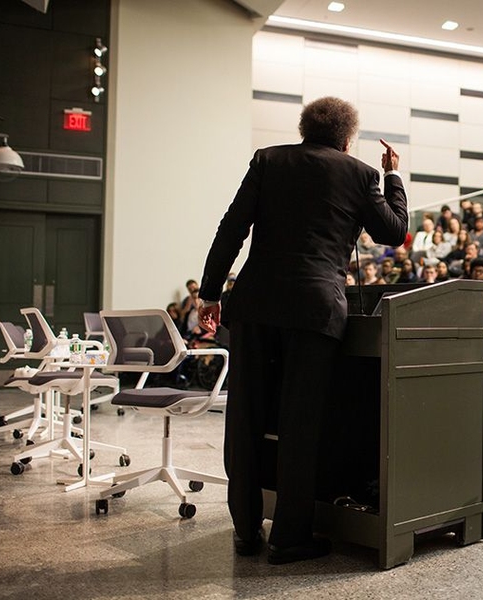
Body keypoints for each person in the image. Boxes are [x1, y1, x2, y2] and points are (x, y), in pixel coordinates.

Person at [197, 97, 408, 564]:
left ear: (304, 128)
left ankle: (246, 529)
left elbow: (231, 228)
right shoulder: (360, 174)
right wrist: (393, 176)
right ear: (348, 137)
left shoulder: (268, 160)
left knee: (246, 418)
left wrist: (210, 293)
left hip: (254, 305)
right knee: (299, 424)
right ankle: (289, 538)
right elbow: (393, 232)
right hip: (314, 311)